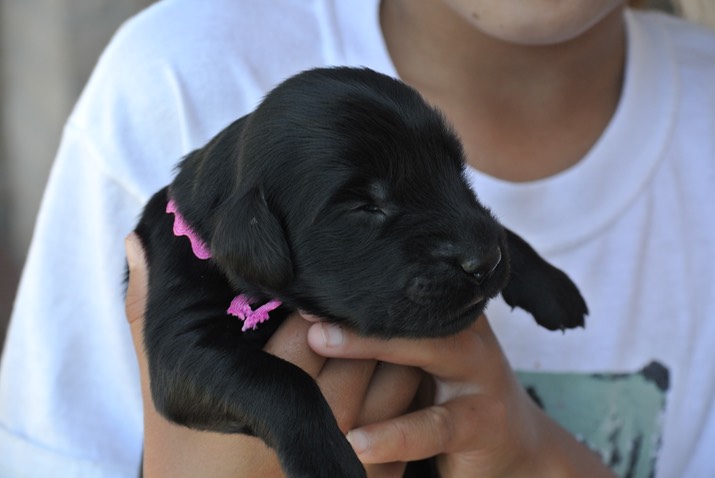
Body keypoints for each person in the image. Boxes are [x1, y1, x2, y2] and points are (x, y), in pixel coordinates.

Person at [1, 0, 713, 476]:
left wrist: (535, 457)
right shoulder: (173, 77)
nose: (475, 243)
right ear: (258, 243)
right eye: (366, 208)